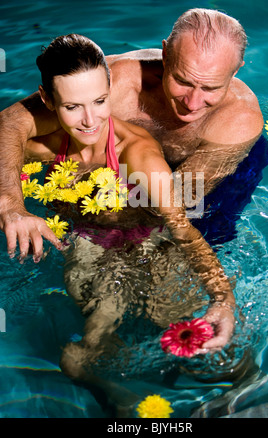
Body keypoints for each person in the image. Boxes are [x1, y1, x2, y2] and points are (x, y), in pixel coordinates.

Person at [7, 34, 236, 384]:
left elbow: (182, 231)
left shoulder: (138, 155)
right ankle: (124, 408)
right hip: (90, 244)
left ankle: (245, 384)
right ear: (47, 101)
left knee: (196, 341)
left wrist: (223, 298)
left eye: (100, 101)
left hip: (152, 245)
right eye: (72, 107)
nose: (89, 120)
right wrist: (13, 208)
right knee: (80, 357)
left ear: (110, 89)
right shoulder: (44, 147)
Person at [0, 8, 264, 260]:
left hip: (206, 182)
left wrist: (88, 216)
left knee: (169, 267)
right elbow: (10, 122)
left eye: (210, 88)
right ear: (165, 55)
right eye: (182, 81)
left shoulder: (238, 120)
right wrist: (10, 205)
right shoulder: (120, 83)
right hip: (131, 172)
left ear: (236, 70)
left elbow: (177, 204)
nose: (193, 103)